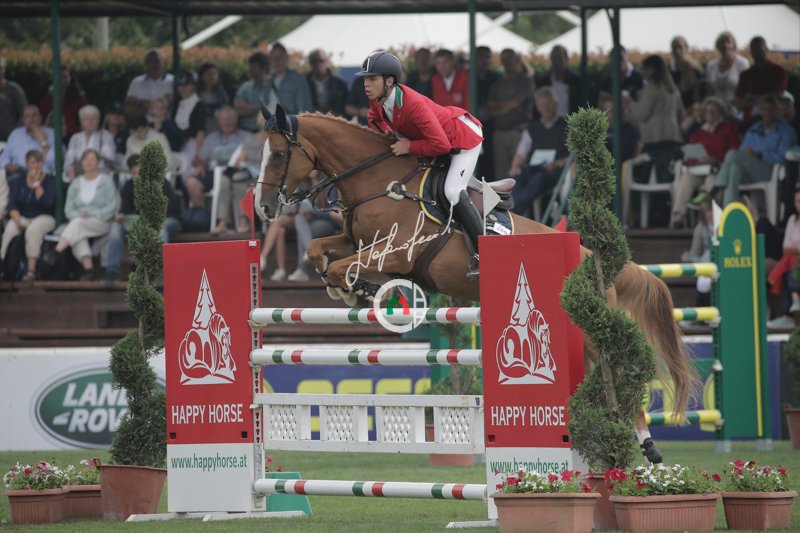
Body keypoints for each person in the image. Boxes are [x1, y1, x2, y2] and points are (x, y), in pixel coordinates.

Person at [357, 50, 484, 279]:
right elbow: (373, 118)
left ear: (389, 81)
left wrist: (409, 147)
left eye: (372, 79)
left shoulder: (413, 104)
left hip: (462, 139)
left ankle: (483, 252)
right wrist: (389, 135)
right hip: (437, 141)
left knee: (452, 191)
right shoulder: (378, 98)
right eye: (365, 79)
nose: (366, 84)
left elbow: (441, 145)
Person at [102, 154, 182, 286]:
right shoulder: (128, 186)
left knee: (160, 229)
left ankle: (158, 272)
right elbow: (126, 211)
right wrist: (121, 217)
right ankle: (112, 271)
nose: (138, 176)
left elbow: (171, 208)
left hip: (168, 220)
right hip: (140, 222)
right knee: (116, 227)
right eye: (134, 173)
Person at [41, 150, 118, 281]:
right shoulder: (76, 183)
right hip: (80, 222)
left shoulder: (106, 181)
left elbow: (111, 208)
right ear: (81, 163)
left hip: (102, 222)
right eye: (86, 159)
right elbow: (68, 210)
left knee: (76, 224)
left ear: (98, 162)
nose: (88, 162)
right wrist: (79, 214)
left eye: (92, 159)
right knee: (77, 232)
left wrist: (90, 214)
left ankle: (56, 251)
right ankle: (89, 270)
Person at [707, 95, 796, 206]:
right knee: (734, 169)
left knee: (732, 154)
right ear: (760, 111)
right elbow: (741, 151)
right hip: (749, 170)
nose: (768, 112)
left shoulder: (786, 131)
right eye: (764, 109)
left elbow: (783, 158)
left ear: (778, 112)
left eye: (771, 109)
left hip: (769, 171)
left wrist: (759, 155)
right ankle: (729, 210)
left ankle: (717, 187)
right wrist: (747, 154)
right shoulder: (754, 129)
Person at [673, 96, 741, 228]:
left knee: (711, 182)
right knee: (686, 179)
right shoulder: (698, 133)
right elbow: (689, 154)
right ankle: (678, 217)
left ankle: (712, 220)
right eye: (707, 111)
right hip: (698, 168)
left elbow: (734, 151)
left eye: (713, 111)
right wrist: (698, 159)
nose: (709, 114)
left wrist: (715, 158)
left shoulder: (728, 129)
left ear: (720, 113)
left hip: (718, 169)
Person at [623, 54, 684, 186]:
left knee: (653, 177)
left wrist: (630, 104)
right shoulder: (673, 89)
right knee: (666, 176)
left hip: (655, 138)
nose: (642, 72)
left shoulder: (651, 88)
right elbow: (681, 115)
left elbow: (642, 115)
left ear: (651, 70)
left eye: (644, 68)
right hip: (673, 137)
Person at [507, 87, 569, 217]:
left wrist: (557, 163)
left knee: (538, 178)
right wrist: (515, 166)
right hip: (534, 167)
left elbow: (573, 156)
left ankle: (514, 211)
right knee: (517, 177)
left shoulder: (566, 126)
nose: (545, 108)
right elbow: (521, 152)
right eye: (541, 105)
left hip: (555, 170)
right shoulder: (532, 128)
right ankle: (515, 209)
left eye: (548, 104)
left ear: (555, 104)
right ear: (537, 107)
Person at [187, 106, 247, 230]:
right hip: (213, 172)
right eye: (223, 120)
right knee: (191, 183)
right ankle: (205, 219)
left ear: (236, 120)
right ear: (218, 122)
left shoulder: (245, 137)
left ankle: (226, 220)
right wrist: (200, 164)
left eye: (229, 119)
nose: (227, 122)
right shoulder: (211, 138)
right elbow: (201, 159)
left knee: (228, 182)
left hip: (235, 172)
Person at [0, 150, 56, 281]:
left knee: (33, 230)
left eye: (38, 162)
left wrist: (36, 184)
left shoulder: (49, 180)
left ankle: (31, 271)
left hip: (44, 217)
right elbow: (12, 204)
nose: (36, 166)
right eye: (33, 163)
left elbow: (48, 204)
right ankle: (3, 267)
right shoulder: (18, 180)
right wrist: (17, 219)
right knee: (10, 229)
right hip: (23, 217)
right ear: (27, 164)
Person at [488, 49, 534, 181]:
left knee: (519, 171)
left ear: (516, 60)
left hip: (518, 131)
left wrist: (500, 107)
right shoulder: (497, 83)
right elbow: (490, 108)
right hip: (500, 132)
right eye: (503, 58)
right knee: (501, 176)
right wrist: (508, 107)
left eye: (509, 58)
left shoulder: (525, 81)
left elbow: (517, 102)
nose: (506, 61)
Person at [289, 179, 344, 281]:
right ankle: (310, 250)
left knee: (302, 232)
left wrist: (314, 213)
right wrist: (299, 209)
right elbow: (296, 206)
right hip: (311, 222)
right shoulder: (303, 184)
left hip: (327, 222)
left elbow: (334, 211)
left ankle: (302, 269)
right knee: (298, 218)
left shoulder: (328, 183)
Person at [735, 36, 789, 124]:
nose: (756, 52)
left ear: (766, 50)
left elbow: (778, 95)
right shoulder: (745, 75)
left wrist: (752, 98)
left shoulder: (779, 71)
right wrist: (766, 97)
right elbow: (738, 102)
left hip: (774, 115)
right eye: (753, 49)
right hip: (750, 119)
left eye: (759, 49)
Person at [767, 188, 800, 329]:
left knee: (789, 263)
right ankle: (794, 301)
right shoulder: (792, 220)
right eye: (798, 201)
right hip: (794, 259)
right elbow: (785, 246)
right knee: (789, 265)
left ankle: (788, 314)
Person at [0, 105, 57, 180]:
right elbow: (4, 159)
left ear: (40, 118)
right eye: (27, 116)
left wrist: (43, 142)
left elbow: (55, 164)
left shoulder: (51, 133)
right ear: (23, 120)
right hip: (18, 176)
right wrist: (8, 166)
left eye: (34, 115)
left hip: (43, 176)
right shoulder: (16, 134)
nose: (31, 119)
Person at [64, 105, 116, 182]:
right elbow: (68, 162)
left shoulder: (106, 136)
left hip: (100, 176)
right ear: (81, 121)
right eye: (86, 119)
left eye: (93, 119)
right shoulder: (75, 138)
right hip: (78, 176)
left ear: (98, 121)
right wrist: (71, 174)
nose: (90, 122)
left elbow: (110, 158)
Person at [38, 65, 88, 141]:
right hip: (52, 133)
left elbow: (85, 115)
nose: (62, 80)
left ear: (70, 77)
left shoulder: (79, 96)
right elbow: (42, 113)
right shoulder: (49, 95)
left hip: (73, 134)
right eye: (59, 77)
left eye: (65, 77)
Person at [680, 197, 714, 308]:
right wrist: (689, 257)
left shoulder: (725, 224)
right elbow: (695, 253)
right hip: (708, 265)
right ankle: (702, 313)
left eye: (711, 210)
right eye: (706, 211)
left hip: (726, 263)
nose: (709, 214)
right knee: (703, 282)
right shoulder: (700, 229)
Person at [475, 46, 502, 181]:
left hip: (492, 125)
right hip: (472, 125)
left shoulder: (497, 78)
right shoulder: (467, 76)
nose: (485, 60)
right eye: (481, 57)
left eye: (488, 57)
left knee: (490, 160)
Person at [124, 48, 174, 119]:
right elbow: (129, 107)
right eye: (150, 61)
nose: (153, 64)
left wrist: (141, 104)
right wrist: (157, 107)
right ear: (145, 64)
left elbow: (174, 105)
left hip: (166, 123)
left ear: (164, 62)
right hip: (142, 122)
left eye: (156, 60)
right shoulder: (137, 82)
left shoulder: (173, 81)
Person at [705, 32, 749, 107]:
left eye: (728, 42)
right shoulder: (711, 65)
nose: (725, 45)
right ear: (718, 46)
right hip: (716, 108)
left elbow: (747, 90)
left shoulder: (742, 63)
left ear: (733, 45)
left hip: (736, 107)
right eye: (722, 42)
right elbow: (709, 90)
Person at [535, 45, 581, 118]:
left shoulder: (576, 81)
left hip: (570, 121)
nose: (556, 62)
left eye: (559, 58)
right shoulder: (544, 81)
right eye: (554, 58)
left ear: (566, 60)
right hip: (549, 122)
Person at [268, 42, 312, 115]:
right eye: (274, 58)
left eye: (281, 57)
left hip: (290, 121)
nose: (277, 61)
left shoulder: (298, 80)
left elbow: (303, 109)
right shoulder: (267, 81)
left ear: (286, 58)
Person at [234, 51, 273, 132]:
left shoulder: (274, 86)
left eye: (253, 68)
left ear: (263, 68)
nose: (250, 70)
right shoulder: (245, 87)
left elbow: (275, 111)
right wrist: (262, 107)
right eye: (250, 67)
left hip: (267, 133)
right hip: (244, 131)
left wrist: (248, 107)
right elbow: (239, 109)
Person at [306, 49, 348, 116]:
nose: (317, 64)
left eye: (321, 61)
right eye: (314, 61)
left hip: (335, 118)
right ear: (310, 63)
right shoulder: (304, 82)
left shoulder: (339, 82)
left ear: (327, 62)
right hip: (311, 118)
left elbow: (346, 106)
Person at [598, 92, 638, 162]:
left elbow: (626, 152)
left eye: (611, 110)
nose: (608, 113)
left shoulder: (627, 128)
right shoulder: (597, 128)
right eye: (606, 110)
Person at [173, 70, 206, 154]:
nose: (183, 88)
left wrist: (198, 154)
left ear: (193, 86)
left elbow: (200, 132)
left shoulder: (199, 106)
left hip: (192, 146)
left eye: (186, 85)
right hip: (176, 144)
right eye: (180, 85)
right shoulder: (177, 104)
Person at [669, 36, 704, 109]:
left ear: (686, 49)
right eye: (674, 48)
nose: (677, 51)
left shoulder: (695, 68)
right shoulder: (669, 69)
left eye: (680, 47)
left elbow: (702, 88)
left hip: (693, 107)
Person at [0, 55, 28, 143]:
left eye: (1, 68)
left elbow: (25, 113)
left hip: (10, 140)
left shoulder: (14, 90)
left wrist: (15, 133)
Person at [197, 62, 230, 133]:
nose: (212, 77)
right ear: (202, 76)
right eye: (209, 74)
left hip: (217, 130)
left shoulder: (221, 94)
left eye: (214, 74)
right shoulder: (197, 93)